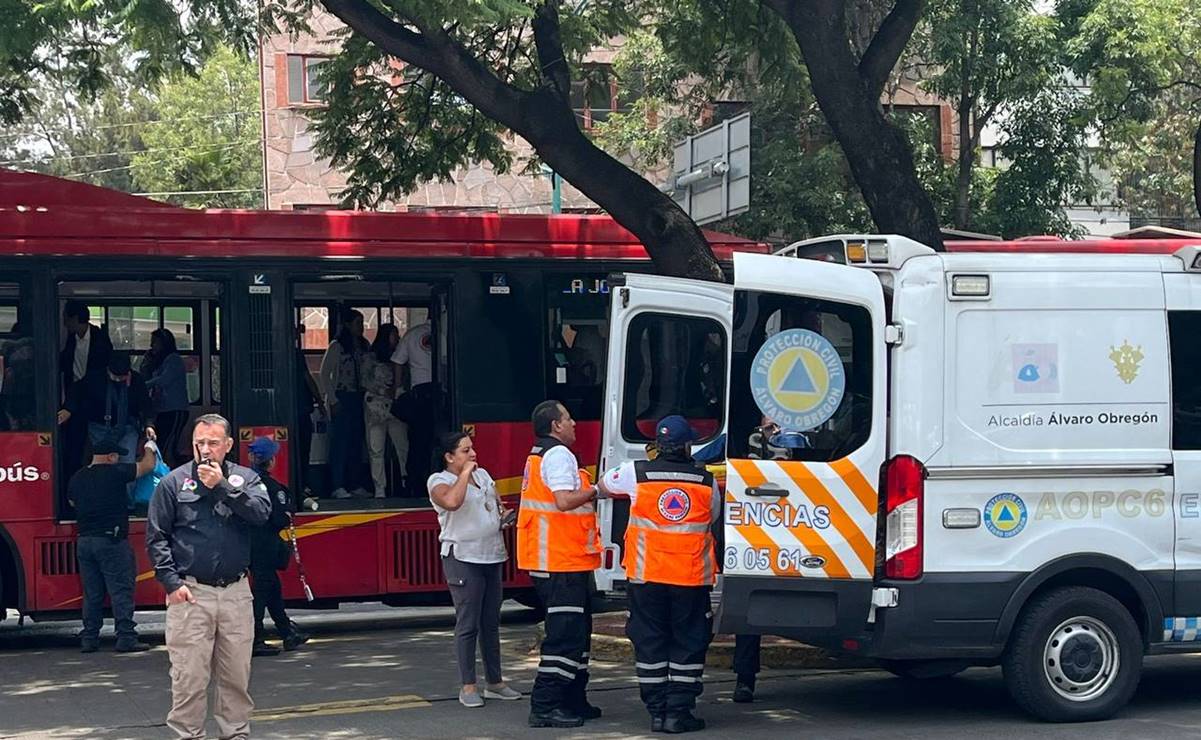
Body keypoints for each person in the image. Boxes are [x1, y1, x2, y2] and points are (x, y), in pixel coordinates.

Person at [145, 414, 271, 740]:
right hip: (191, 591)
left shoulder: (247, 479)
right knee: (189, 677)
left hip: (235, 592)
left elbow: (261, 515)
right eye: (199, 443)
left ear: (228, 445)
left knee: (235, 676)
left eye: (213, 443)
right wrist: (171, 584)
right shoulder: (173, 483)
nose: (205, 450)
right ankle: (188, 735)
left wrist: (224, 488)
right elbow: (156, 537)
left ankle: (235, 734)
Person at [598, 415, 721, 734]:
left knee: (650, 640)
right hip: (689, 577)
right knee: (689, 641)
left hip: (645, 575)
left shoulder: (634, 473)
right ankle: (678, 712)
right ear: (687, 445)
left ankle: (656, 710)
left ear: (658, 445)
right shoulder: (705, 481)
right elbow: (713, 515)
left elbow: (603, 487)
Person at [518, 400, 603, 729]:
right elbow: (564, 500)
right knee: (565, 636)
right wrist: (597, 490)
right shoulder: (557, 455)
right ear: (555, 425)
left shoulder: (541, 453)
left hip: (561, 558)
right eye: (568, 418)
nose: (574, 423)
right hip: (559, 560)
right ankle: (545, 705)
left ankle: (573, 699)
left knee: (578, 634)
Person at [428, 431, 522, 708]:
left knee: (490, 622)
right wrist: (465, 474)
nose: (473, 454)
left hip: (491, 554)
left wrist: (504, 518)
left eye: (472, 449)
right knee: (467, 623)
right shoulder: (439, 480)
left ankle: (495, 682)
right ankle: (468, 685)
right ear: (449, 457)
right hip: (463, 557)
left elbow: (494, 507)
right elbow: (452, 503)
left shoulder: (484, 476)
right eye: (465, 451)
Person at [70, 437, 157, 653]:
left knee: (92, 593)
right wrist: (149, 446)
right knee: (121, 589)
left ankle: (89, 638)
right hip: (111, 540)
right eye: (117, 455)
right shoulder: (115, 472)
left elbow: (72, 502)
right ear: (110, 456)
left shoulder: (77, 477)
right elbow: (148, 466)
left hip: (85, 541)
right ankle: (126, 637)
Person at [245, 437, 310, 657]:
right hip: (265, 545)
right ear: (271, 461)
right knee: (262, 592)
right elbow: (281, 519)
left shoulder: (244, 482)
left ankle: (287, 633)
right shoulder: (273, 488)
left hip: (248, 544)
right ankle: (255, 639)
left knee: (272, 589)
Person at [58, 351, 155, 464]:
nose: (118, 380)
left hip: (127, 428)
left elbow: (145, 403)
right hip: (99, 428)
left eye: (122, 377)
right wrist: (68, 409)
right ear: (108, 370)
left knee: (127, 463)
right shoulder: (95, 378)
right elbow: (76, 391)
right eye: (115, 376)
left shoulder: (136, 380)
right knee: (101, 463)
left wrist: (149, 424)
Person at [318, 308, 370, 499]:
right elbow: (324, 374)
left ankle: (355, 482)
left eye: (362, 323)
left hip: (361, 397)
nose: (361, 327)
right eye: (358, 323)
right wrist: (332, 400)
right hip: (342, 396)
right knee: (340, 443)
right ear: (347, 325)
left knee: (357, 442)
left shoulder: (364, 346)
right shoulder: (337, 346)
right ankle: (337, 485)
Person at [59, 301, 113, 477]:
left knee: (96, 444)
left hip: (93, 399)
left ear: (75, 318)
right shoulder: (71, 339)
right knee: (73, 444)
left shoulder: (100, 339)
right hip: (73, 399)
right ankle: (72, 482)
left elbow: (101, 373)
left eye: (66, 318)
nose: (64, 323)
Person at [364, 324, 409, 498]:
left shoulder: (402, 356)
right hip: (375, 408)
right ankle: (379, 488)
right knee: (376, 449)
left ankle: (406, 481)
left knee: (402, 446)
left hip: (396, 407)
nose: (397, 338)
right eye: (394, 335)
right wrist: (383, 390)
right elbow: (364, 380)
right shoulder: (370, 357)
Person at [391, 320, 435, 494]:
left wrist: (398, 388)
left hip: (419, 391)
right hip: (442, 391)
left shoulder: (412, 333)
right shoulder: (447, 332)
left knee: (417, 441)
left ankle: (415, 483)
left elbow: (397, 361)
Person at [142, 328, 190, 467]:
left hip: (175, 409)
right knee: (161, 442)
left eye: (155, 343)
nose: (152, 346)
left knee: (167, 446)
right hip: (162, 409)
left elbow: (164, 380)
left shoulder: (173, 360)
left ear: (164, 344)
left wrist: (145, 385)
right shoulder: (158, 362)